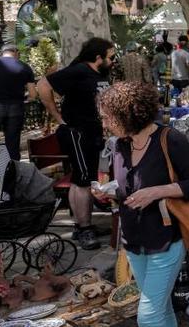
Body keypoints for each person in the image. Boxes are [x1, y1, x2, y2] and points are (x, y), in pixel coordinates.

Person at [93, 82, 189, 327]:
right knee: (161, 310)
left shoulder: (170, 139)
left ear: (127, 114)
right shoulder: (120, 144)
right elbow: (129, 186)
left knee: (148, 316)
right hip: (133, 242)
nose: (104, 125)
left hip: (166, 241)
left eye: (107, 118)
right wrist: (108, 192)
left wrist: (156, 192)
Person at [38, 37, 115, 251]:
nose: (113, 61)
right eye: (111, 57)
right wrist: (57, 117)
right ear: (98, 57)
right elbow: (43, 85)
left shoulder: (95, 74)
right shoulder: (79, 70)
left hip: (90, 131)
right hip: (77, 131)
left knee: (81, 179)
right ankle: (84, 228)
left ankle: (80, 224)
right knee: (82, 181)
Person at [0, 43, 36, 161]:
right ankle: (13, 174)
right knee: (13, 144)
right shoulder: (25, 67)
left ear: (1, 53)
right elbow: (33, 95)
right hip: (16, 107)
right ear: (16, 52)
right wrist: (24, 98)